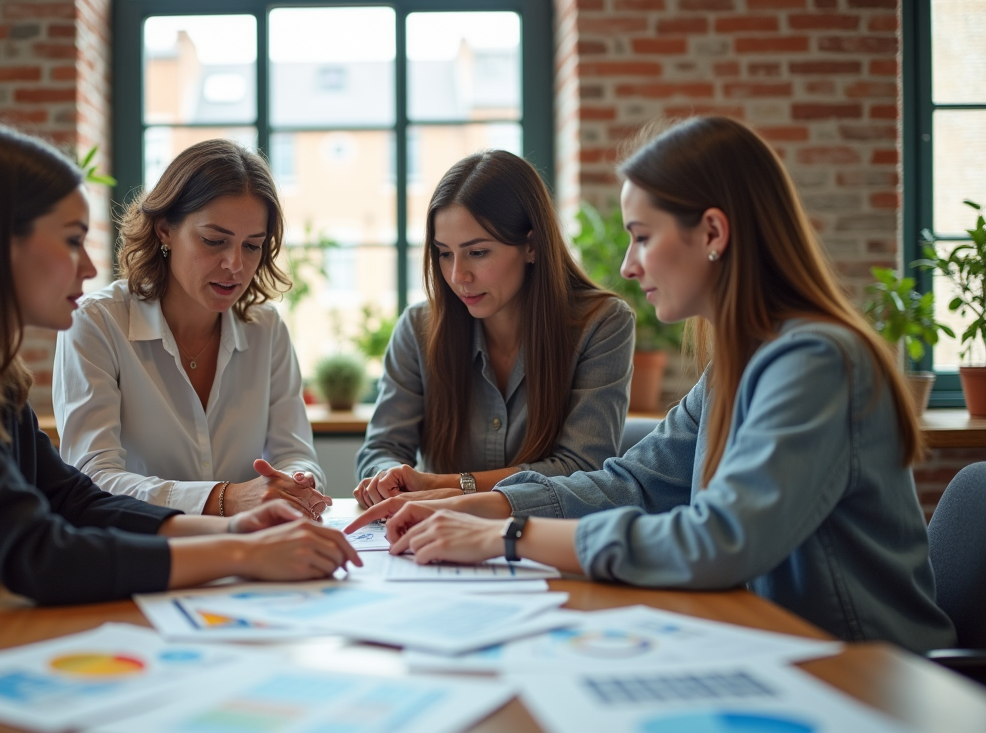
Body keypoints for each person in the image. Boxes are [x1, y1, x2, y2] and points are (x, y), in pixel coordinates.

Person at [345, 117, 956, 654]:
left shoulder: (816, 362)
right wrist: (484, 503)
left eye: (642, 236)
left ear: (713, 234)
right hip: (786, 652)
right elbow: (635, 481)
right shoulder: (740, 365)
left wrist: (507, 533)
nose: (628, 265)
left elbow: (719, 540)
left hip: (869, 676)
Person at [0, 126, 360, 673]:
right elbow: (37, 552)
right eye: (71, 241)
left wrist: (242, 530)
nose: (88, 267)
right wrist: (242, 553)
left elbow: (75, 501)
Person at [54, 139, 330, 519]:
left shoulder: (266, 328)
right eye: (214, 241)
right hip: (143, 555)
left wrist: (297, 483)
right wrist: (225, 499)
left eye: (252, 246)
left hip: (255, 551)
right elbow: (91, 479)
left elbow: (295, 451)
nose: (234, 265)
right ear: (165, 229)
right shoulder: (97, 323)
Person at [353, 150, 635, 508]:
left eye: (478, 252)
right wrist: (388, 478)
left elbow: (582, 469)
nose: (458, 276)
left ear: (531, 246)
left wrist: (448, 485)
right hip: (435, 540)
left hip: (546, 542)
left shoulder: (602, 323)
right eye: (444, 253)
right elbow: (382, 449)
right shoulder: (418, 327)